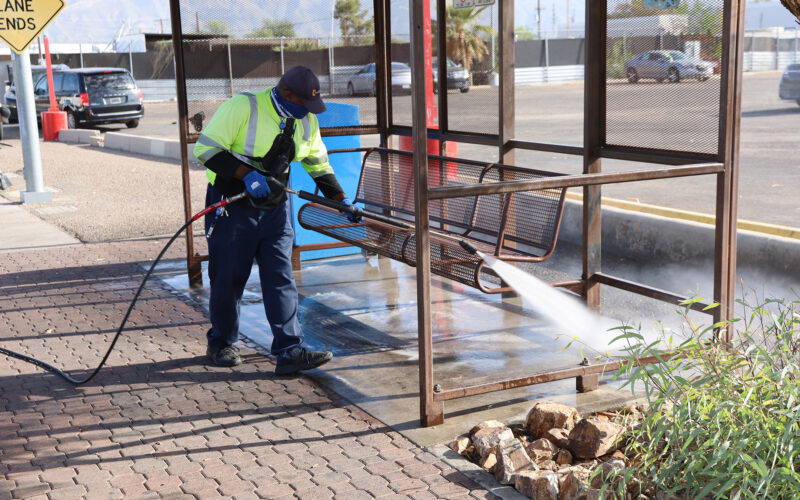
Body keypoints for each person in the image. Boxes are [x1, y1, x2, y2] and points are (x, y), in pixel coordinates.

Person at [194, 66, 357, 375]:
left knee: (280, 278)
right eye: (301, 104)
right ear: (286, 94)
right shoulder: (244, 107)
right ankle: (221, 343)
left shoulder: (305, 120)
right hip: (232, 208)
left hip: (274, 210)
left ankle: (289, 350)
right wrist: (245, 174)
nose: (306, 113)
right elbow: (206, 149)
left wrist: (341, 200)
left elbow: (317, 162)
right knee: (228, 278)